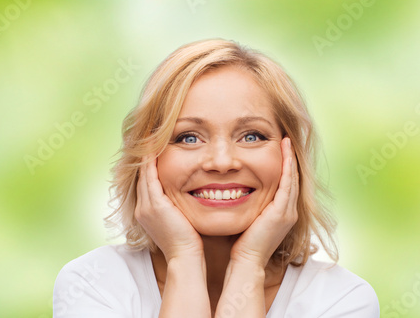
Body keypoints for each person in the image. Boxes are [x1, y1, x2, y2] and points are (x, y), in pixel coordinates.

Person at [53, 39, 379, 318]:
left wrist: (249, 264)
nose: (222, 162)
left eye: (251, 136)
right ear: (147, 159)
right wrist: (183, 259)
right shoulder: (93, 283)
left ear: (289, 158)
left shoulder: (341, 300)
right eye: (188, 137)